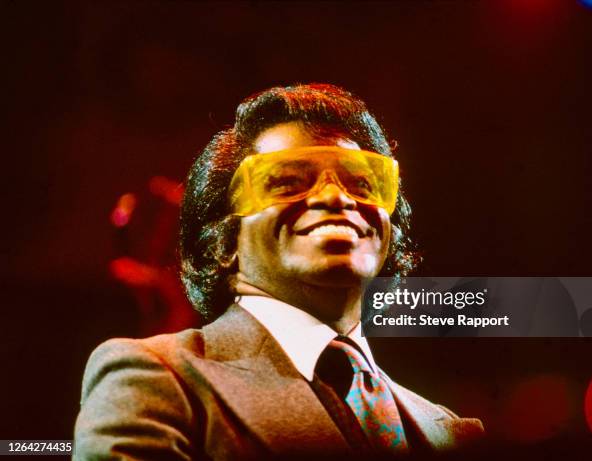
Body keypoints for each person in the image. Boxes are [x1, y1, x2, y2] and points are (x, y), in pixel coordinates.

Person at [73, 84, 484, 460]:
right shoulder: (156, 379)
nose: (335, 197)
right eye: (288, 183)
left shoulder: (450, 430)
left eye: (361, 183)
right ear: (224, 242)